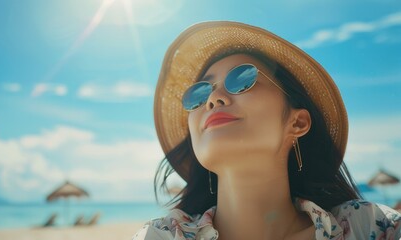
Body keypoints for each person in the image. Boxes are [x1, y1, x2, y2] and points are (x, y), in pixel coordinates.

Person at [132, 21, 401, 240]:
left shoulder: (373, 228)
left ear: (297, 123)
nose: (214, 99)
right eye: (199, 94)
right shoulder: (160, 236)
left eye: (242, 79)